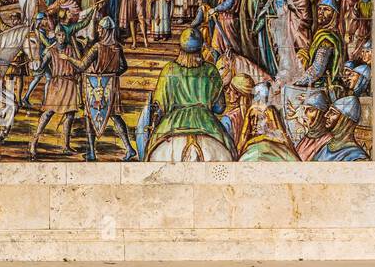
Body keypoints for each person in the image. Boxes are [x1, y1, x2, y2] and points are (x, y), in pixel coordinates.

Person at [149, 27, 234, 157]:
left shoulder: (169, 70)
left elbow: (160, 107)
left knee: (149, 150)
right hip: (207, 123)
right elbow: (220, 108)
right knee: (231, 150)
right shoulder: (211, 70)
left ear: (180, 49)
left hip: (172, 123)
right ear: (201, 49)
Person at [73, 17, 137, 161]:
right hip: (111, 87)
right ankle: (129, 148)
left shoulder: (97, 47)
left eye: (100, 28)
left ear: (106, 30)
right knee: (115, 116)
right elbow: (123, 67)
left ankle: (91, 152)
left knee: (90, 116)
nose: (98, 30)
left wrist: (68, 58)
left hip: (95, 87)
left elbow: (82, 65)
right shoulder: (117, 47)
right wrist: (111, 76)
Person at [29, 25, 84, 159]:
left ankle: (65, 146)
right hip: (57, 84)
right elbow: (42, 66)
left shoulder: (71, 49)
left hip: (70, 83)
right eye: (59, 35)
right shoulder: (51, 51)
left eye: (63, 35)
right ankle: (34, 142)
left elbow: (80, 64)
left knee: (70, 115)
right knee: (48, 113)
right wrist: (39, 62)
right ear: (56, 36)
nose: (61, 37)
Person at [239, 82, 300, 162]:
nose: (254, 123)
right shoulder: (252, 109)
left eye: (261, 118)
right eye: (252, 118)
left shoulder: (269, 110)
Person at [315, 96, 370, 161]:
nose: (326, 115)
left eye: (333, 112)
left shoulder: (357, 158)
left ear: (345, 121)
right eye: (328, 111)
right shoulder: (327, 146)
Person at [290, 89, 333, 161]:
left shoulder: (328, 141)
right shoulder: (307, 137)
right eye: (304, 109)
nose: (305, 114)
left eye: (310, 110)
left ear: (321, 114)